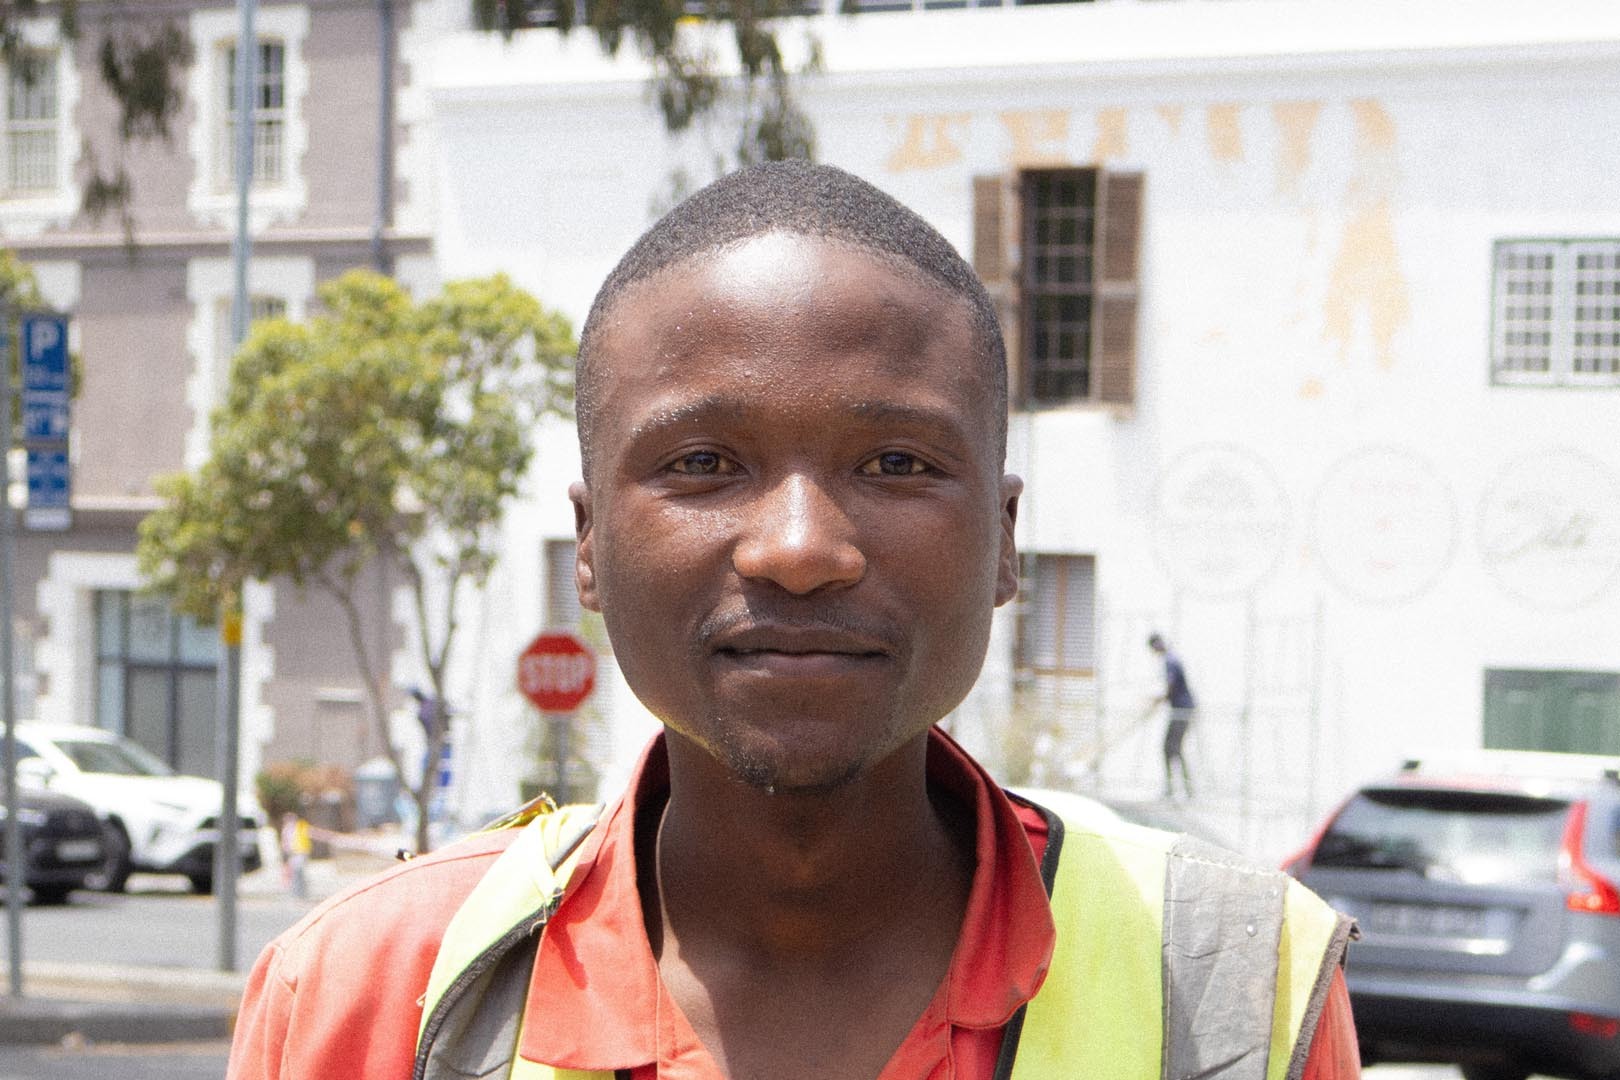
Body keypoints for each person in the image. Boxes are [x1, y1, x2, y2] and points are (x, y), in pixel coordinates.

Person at [227, 161, 1360, 1080]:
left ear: (1005, 540)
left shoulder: (1232, 989)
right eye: (703, 462)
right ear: (589, 544)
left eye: (897, 462)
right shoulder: (362, 995)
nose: (801, 548)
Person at [1148, 632, 1196, 800]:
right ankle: (1179, 787)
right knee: (1172, 748)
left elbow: (1171, 686)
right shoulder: (1171, 659)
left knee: (1172, 747)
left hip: (1182, 710)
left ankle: (1182, 788)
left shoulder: (1170, 661)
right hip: (1181, 709)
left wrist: (1158, 700)